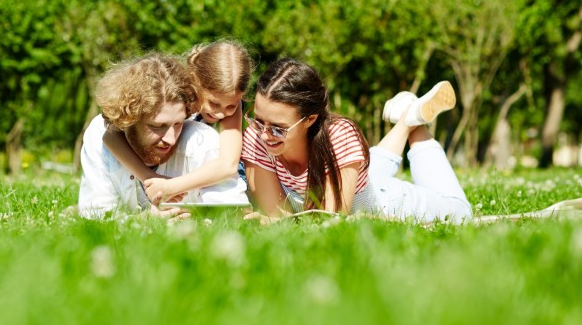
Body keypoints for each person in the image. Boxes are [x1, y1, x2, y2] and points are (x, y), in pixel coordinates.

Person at [242, 58, 472, 223]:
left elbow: (329, 220)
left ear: (309, 119)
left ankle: (415, 123)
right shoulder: (256, 138)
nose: (264, 134)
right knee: (366, 171)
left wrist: (276, 222)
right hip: (357, 178)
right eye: (258, 120)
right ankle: (406, 120)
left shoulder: (339, 136)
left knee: (461, 213)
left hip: (387, 201)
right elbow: (275, 213)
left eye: (279, 129)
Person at [78, 53, 249, 219]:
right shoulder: (102, 132)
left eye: (178, 124)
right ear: (129, 119)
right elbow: (95, 219)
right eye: (157, 126)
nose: (171, 138)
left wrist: (170, 187)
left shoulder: (204, 138)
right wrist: (148, 191)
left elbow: (227, 172)